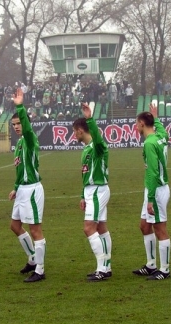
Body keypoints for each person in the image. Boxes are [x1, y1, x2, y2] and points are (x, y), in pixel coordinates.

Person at [9, 87, 47, 283]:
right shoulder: (19, 145)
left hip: (32, 189)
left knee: (35, 230)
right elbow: (19, 170)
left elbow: (27, 127)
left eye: (19, 123)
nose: (17, 127)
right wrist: (15, 187)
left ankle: (40, 270)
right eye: (14, 124)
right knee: (15, 226)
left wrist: (20, 107)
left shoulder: (30, 140)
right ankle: (33, 259)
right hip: (22, 189)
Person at [72, 103, 113, 281]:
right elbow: (86, 174)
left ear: (81, 130)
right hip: (91, 190)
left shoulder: (98, 147)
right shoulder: (86, 150)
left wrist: (90, 118)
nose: (74, 135)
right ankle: (107, 266)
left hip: (98, 190)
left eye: (75, 131)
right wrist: (83, 195)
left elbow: (97, 138)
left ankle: (101, 268)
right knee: (101, 228)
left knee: (88, 228)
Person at [133, 104, 171, 280]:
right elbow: (165, 132)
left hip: (156, 189)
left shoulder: (149, 143)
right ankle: (151, 265)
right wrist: (156, 118)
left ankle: (164, 270)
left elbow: (153, 172)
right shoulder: (160, 137)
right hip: (155, 188)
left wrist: (150, 199)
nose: (135, 127)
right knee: (144, 225)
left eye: (136, 124)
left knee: (160, 228)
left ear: (142, 123)